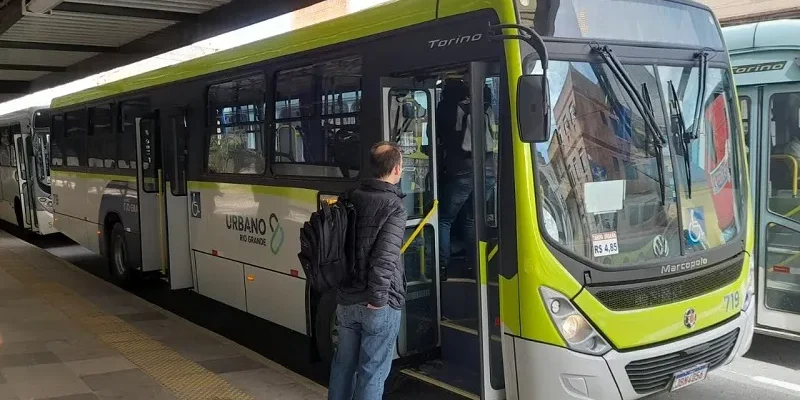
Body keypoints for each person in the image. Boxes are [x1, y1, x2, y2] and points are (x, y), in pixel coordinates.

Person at [328, 141, 408, 400]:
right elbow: (384, 259)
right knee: (372, 373)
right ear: (396, 169)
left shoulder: (349, 197)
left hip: (347, 298)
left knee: (343, 367)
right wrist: (377, 300)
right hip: (376, 303)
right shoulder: (394, 207)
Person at [437, 79, 497, 281]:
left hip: (461, 172)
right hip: (488, 171)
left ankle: (441, 267)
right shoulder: (485, 104)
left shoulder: (448, 108)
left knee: (444, 219)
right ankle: (474, 266)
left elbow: (436, 136)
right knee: (472, 219)